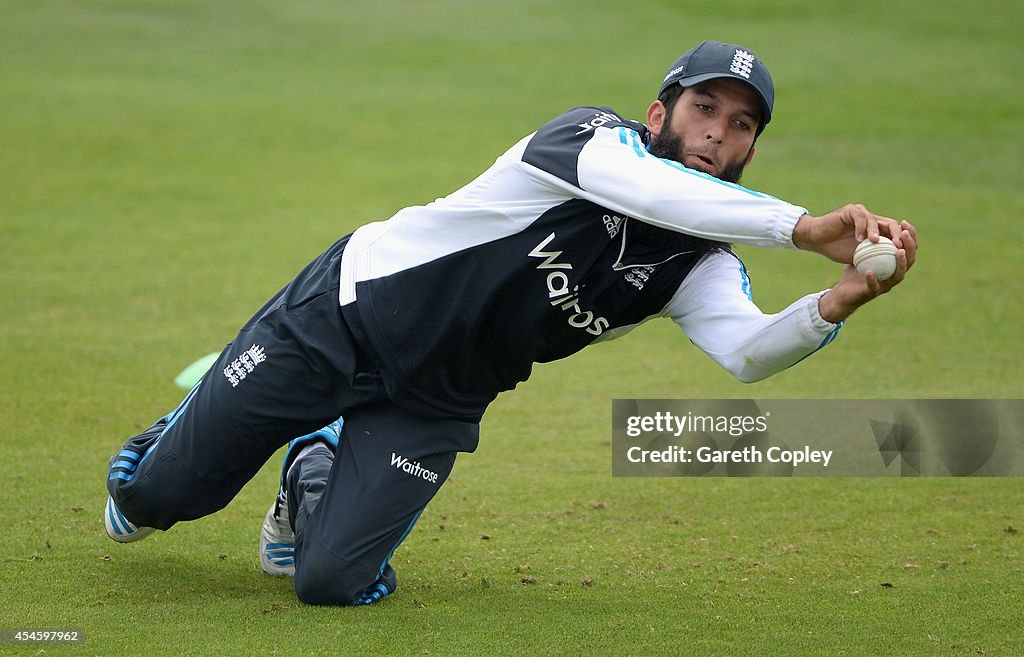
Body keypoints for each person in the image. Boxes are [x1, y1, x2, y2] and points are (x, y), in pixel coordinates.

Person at [103, 40, 918, 606]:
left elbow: (745, 351)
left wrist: (832, 304)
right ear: (657, 112)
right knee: (148, 504)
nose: (718, 131)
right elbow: (651, 191)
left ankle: (309, 468)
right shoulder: (585, 140)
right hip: (343, 318)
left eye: (742, 124)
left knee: (327, 583)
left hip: (436, 404)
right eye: (705, 107)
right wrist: (803, 227)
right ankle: (195, 428)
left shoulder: (701, 259)